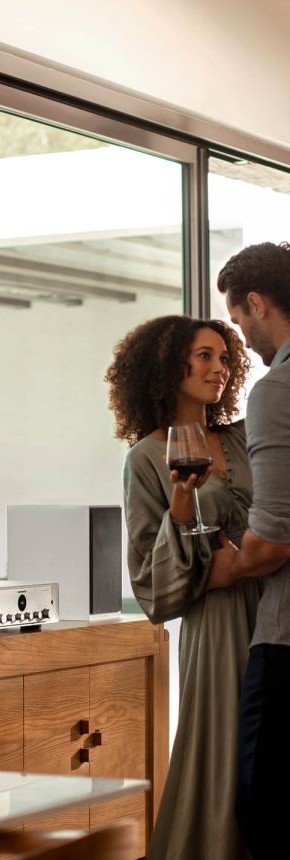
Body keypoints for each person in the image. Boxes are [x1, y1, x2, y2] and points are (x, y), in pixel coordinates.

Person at [105, 315, 261, 860]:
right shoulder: (146, 458)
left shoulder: (242, 438)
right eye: (204, 356)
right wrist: (182, 513)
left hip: (275, 608)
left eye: (224, 358)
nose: (218, 368)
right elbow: (151, 583)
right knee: (223, 749)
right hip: (216, 625)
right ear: (170, 363)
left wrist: (238, 561)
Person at [212, 241, 290, 860]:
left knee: (263, 811)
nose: (244, 343)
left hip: (287, 639)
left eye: (240, 324)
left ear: (258, 303)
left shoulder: (277, 388)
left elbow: (272, 540)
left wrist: (225, 568)